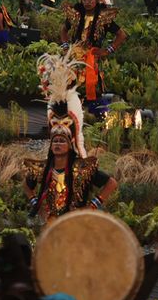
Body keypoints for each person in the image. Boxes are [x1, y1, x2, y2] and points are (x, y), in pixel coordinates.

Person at [24, 51, 118, 222]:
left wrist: (93, 205)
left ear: (70, 143)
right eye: (55, 141)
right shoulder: (44, 169)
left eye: (62, 140)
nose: (58, 143)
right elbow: (26, 185)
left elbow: (111, 183)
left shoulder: (82, 169)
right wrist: (35, 203)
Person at [58, 0, 128, 108]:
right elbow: (63, 31)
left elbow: (121, 34)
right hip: (74, 56)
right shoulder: (76, 13)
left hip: (92, 56)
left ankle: (95, 116)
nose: (87, 1)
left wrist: (107, 50)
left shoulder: (103, 16)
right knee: (70, 88)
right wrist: (67, 46)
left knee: (92, 87)